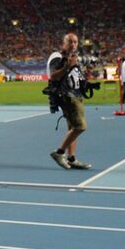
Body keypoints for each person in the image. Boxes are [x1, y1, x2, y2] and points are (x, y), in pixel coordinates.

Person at [48, 32, 91, 170]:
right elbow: (52, 76)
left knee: (72, 128)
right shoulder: (57, 57)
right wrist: (67, 66)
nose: (73, 44)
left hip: (76, 95)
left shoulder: (74, 58)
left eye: (75, 42)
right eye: (70, 41)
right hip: (67, 96)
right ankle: (59, 153)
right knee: (80, 127)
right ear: (63, 43)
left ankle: (71, 158)